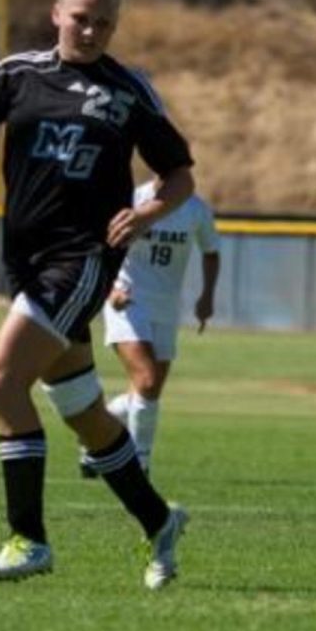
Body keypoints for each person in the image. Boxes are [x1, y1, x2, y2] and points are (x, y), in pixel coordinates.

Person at [0, 0, 195, 590]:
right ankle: (160, 520)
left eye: (104, 22)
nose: (91, 30)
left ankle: (30, 538)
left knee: (1, 383)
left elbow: (181, 176)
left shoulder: (128, 92)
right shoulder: (16, 74)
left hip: (81, 260)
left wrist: (147, 212)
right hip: (26, 261)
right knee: (82, 410)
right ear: (57, 13)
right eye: (81, 18)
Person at [81, 188, 220, 479]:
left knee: (147, 391)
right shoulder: (132, 199)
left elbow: (211, 251)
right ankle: (139, 464)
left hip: (167, 307)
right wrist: (110, 289)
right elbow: (98, 243)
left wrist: (207, 296)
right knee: (146, 379)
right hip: (128, 301)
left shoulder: (195, 209)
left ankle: (94, 431)